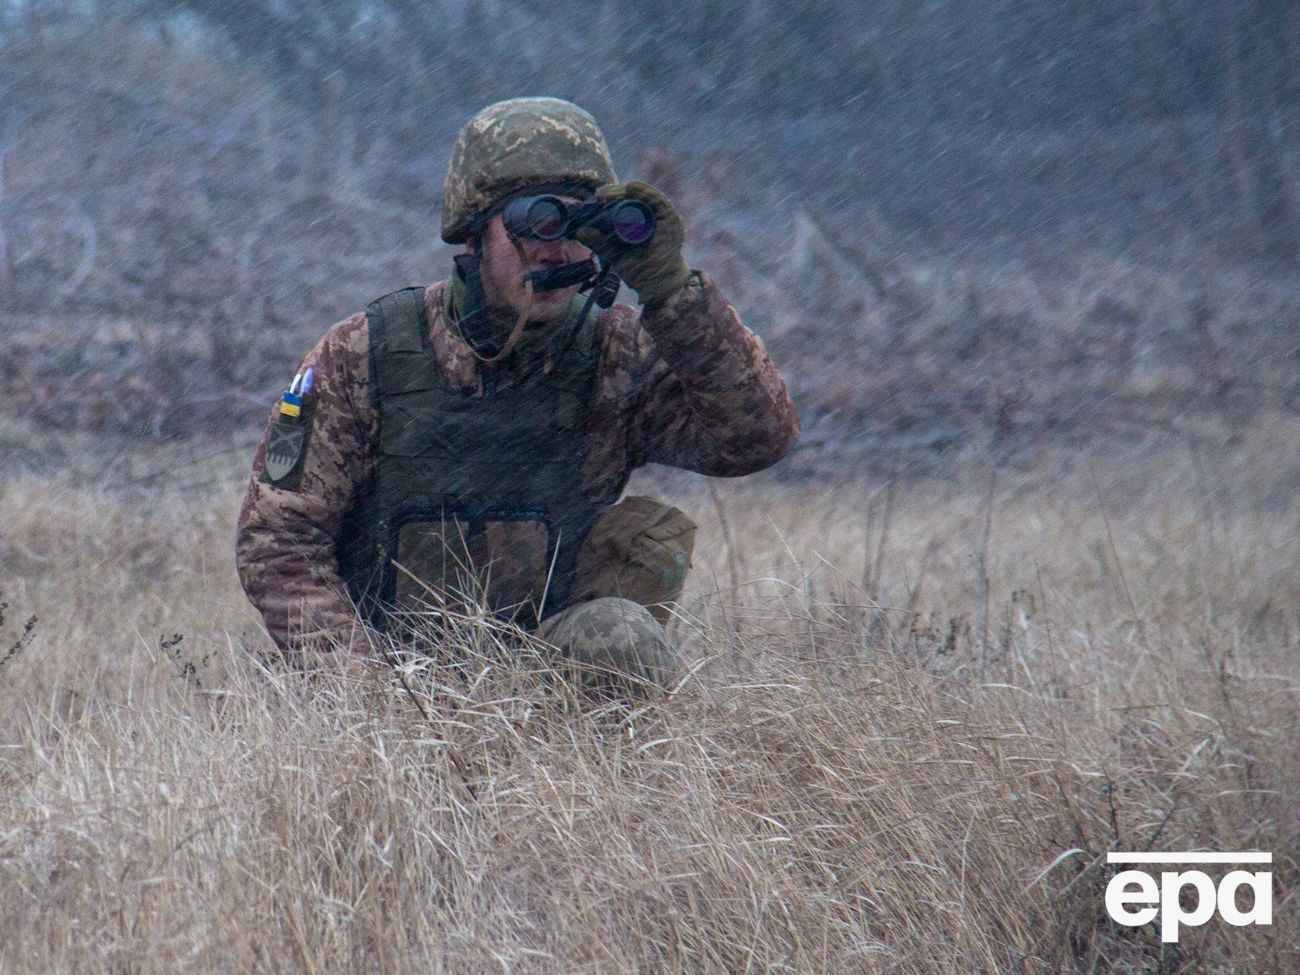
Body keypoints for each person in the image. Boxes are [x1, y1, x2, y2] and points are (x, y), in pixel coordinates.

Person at [235, 96, 798, 692]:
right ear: (476, 232)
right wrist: (368, 697)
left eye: (582, 226)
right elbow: (279, 542)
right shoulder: (364, 353)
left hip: (546, 676)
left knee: (621, 638)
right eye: (535, 223)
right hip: (385, 671)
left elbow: (757, 440)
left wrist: (671, 293)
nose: (559, 250)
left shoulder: (616, 353)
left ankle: (590, 785)